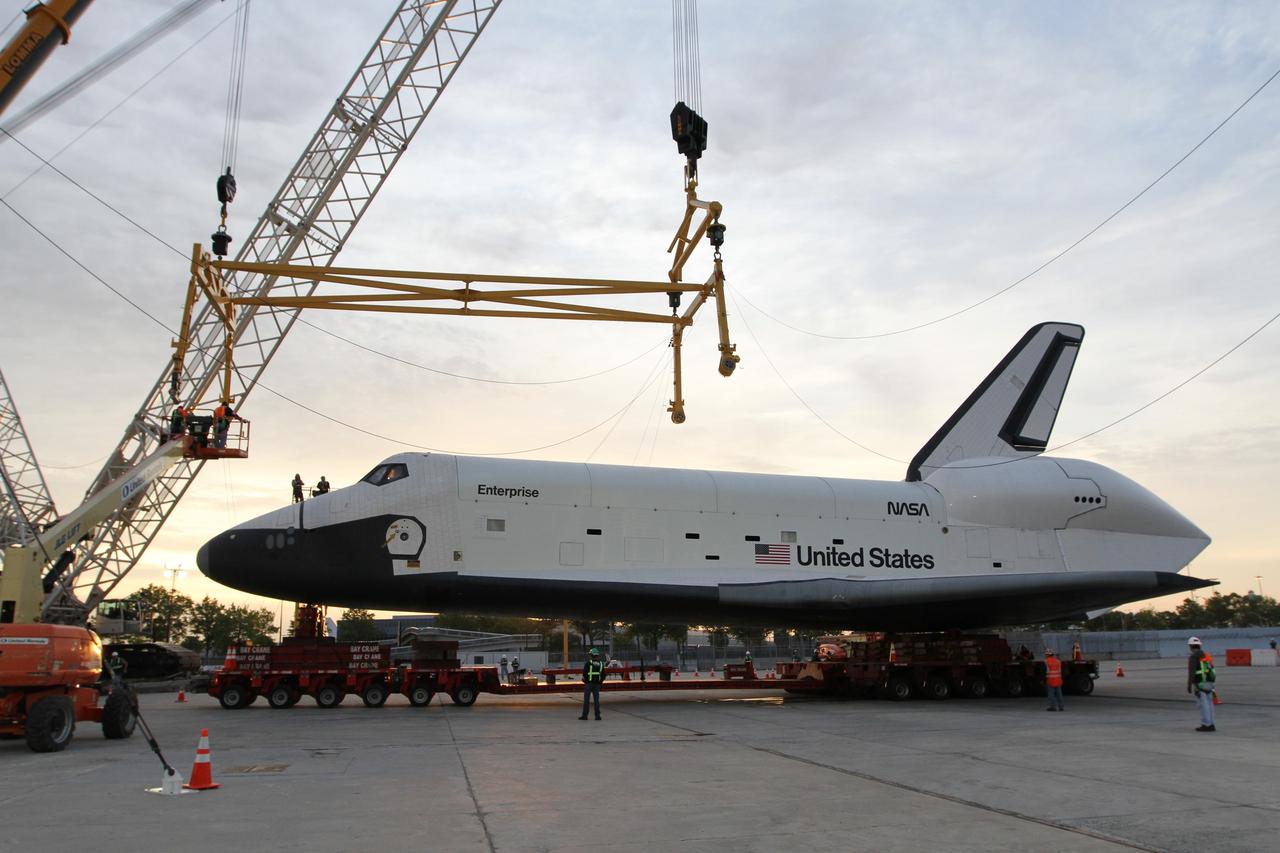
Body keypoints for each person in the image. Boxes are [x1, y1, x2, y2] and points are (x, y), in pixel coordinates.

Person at [1187, 637, 1217, 732]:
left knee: (1203, 705)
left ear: (1191, 646)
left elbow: (1192, 672)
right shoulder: (1206, 655)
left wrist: (1189, 685)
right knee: (1210, 704)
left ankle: (1206, 724)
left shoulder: (1194, 657)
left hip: (1200, 684)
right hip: (1210, 683)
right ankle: (1211, 724)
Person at [579, 647, 605, 720]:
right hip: (597, 685)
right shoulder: (601, 664)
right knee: (596, 701)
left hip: (588, 684)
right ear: (597, 655)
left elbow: (584, 674)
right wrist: (600, 682)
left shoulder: (588, 663)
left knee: (586, 701)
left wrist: (585, 681)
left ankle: (585, 716)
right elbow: (603, 675)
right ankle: (597, 716)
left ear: (591, 655)